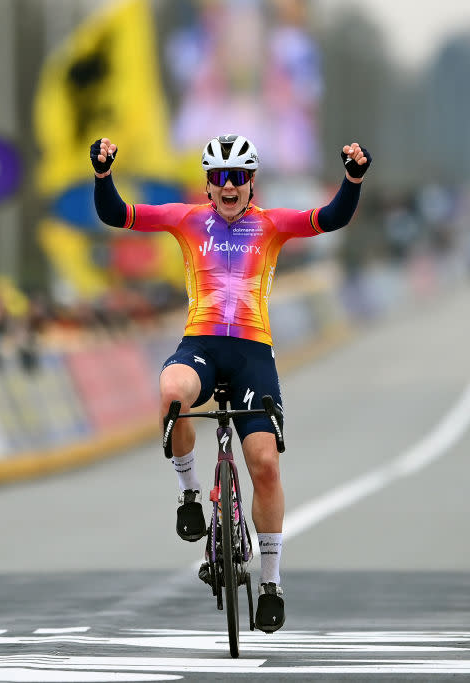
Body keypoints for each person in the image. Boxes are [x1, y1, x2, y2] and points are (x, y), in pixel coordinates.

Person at [91, 133, 370, 633]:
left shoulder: (271, 225)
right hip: (200, 345)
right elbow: (117, 215)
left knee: (264, 464)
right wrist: (103, 174)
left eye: (237, 177)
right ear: (207, 183)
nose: (228, 186)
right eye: (219, 177)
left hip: (251, 355)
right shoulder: (185, 219)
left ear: (252, 181)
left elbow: (331, 218)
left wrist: (352, 180)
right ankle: (192, 496)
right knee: (172, 392)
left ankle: (270, 582)